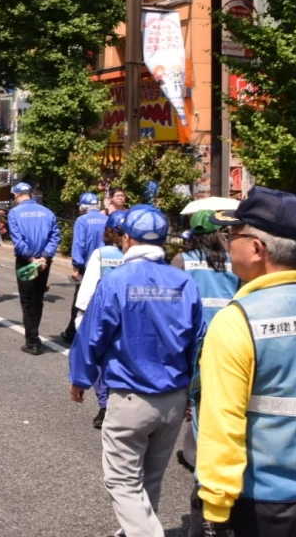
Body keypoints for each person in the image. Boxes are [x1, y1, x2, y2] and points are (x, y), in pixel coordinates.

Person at [190, 187, 296, 537]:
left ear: (256, 247)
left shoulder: (237, 320)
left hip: (255, 505)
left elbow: (222, 425)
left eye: (232, 235)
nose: (227, 244)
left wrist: (214, 511)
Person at [70, 205, 203, 537]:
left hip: (130, 394)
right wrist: (192, 391)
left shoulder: (117, 281)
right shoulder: (184, 282)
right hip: (173, 397)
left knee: (121, 479)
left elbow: (92, 334)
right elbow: (197, 342)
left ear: (127, 239)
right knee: (150, 477)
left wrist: (80, 378)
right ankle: (136, 530)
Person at [172, 210, 240, 469]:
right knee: (217, 396)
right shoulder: (235, 262)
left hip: (193, 340)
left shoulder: (183, 261)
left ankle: (197, 456)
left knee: (194, 396)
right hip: (228, 338)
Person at [74, 209, 128, 429]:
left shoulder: (102, 254)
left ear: (108, 231)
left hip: (104, 316)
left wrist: (81, 317)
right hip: (131, 319)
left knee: (98, 362)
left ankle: (105, 405)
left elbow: (88, 290)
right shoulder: (140, 256)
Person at [7, 182, 60, 355]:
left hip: (26, 261)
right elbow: (55, 237)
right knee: (38, 298)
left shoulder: (14, 213)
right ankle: (34, 334)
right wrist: (44, 256)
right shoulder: (47, 212)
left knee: (27, 300)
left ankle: (32, 341)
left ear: (16, 195)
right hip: (44, 261)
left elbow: (17, 239)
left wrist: (31, 258)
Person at [63, 192, 109, 343]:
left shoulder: (82, 220)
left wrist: (76, 267)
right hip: (106, 266)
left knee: (81, 299)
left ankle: (73, 333)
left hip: (87, 267)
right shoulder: (107, 219)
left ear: (83, 207)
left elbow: (79, 244)